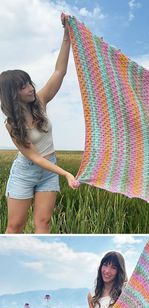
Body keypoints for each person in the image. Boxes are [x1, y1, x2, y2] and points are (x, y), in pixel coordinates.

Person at [0, 13, 78, 234]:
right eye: (23, 86)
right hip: (26, 172)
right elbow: (33, 156)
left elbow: (59, 72)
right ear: (13, 94)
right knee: (15, 226)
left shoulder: (41, 102)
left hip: (48, 169)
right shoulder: (12, 125)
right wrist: (65, 173)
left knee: (43, 223)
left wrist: (66, 35)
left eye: (29, 83)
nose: (31, 88)